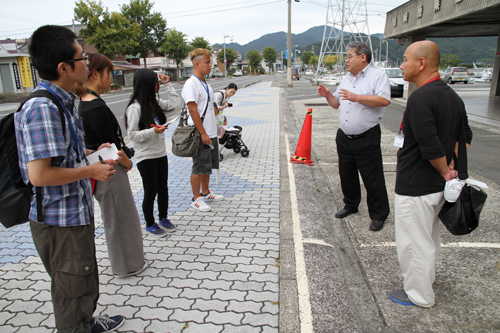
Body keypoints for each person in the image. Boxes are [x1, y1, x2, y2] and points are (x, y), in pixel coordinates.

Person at [14, 25, 124, 332]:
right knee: (70, 289)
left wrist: (92, 151)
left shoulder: (63, 100)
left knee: (83, 278)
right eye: (82, 57)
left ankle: (86, 323)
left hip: (74, 212)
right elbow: (39, 175)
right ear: (63, 67)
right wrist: (91, 170)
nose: (88, 63)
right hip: (58, 220)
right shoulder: (42, 107)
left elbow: (60, 154)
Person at [389, 40, 472, 307]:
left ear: (421, 63)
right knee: (428, 237)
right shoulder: (451, 96)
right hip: (435, 186)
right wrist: (452, 164)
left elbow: (430, 145)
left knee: (413, 242)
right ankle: (427, 280)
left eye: (404, 59)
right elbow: (465, 136)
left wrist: (445, 168)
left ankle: (419, 294)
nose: (401, 65)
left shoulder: (421, 97)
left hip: (417, 183)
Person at [75, 53, 147, 278]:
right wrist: (127, 163)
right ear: (96, 74)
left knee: (118, 215)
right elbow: (112, 145)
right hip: (108, 168)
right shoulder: (94, 105)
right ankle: (126, 266)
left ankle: (130, 260)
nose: (112, 78)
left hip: (100, 167)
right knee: (119, 216)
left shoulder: (86, 102)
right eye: (110, 73)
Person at [317, 41, 391, 232]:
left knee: (372, 178)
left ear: (362, 57)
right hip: (344, 136)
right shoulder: (347, 78)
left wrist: (357, 97)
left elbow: (383, 100)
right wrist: (327, 95)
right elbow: (336, 104)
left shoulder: (378, 76)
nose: (346, 60)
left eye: (350, 56)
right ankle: (350, 205)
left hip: (367, 136)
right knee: (346, 174)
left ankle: (379, 214)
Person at [125, 69, 180, 237]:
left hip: (160, 153)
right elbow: (132, 135)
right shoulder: (135, 108)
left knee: (163, 188)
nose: (158, 84)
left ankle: (163, 217)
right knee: (150, 191)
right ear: (145, 84)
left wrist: (168, 84)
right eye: (156, 82)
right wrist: (152, 132)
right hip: (146, 156)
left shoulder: (153, 101)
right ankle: (150, 223)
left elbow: (176, 104)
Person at [182, 48, 224, 212]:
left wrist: (220, 123)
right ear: (197, 63)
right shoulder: (191, 84)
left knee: (208, 165)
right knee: (198, 166)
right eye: (207, 62)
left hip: (211, 131)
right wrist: (203, 133)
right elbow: (193, 111)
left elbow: (212, 108)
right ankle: (196, 198)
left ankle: (205, 192)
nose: (210, 65)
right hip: (199, 133)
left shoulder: (206, 84)